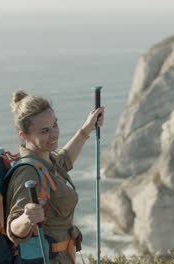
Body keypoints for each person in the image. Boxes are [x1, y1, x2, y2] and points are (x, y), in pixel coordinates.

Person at [6, 90, 104, 264]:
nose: (54, 134)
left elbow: (64, 160)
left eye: (55, 125)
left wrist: (87, 128)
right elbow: (14, 230)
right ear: (24, 135)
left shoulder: (46, 159)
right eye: (44, 131)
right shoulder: (27, 172)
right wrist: (27, 217)